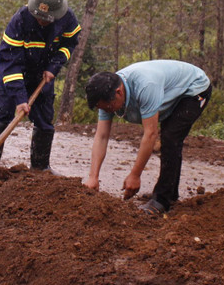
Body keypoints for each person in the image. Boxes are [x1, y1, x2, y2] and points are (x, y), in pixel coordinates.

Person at [83, 60, 212, 216]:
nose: (107, 111)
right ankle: (170, 193)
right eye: (102, 108)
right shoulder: (106, 95)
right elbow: (102, 136)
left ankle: (162, 200)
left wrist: (135, 175)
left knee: (170, 137)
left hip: (194, 89)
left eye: (109, 107)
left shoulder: (145, 85)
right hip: (168, 91)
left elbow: (150, 133)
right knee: (170, 137)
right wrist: (93, 177)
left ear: (119, 92)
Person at [0, 0, 80, 172]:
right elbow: (9, 61)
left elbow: (70, 43)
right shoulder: (19, 21)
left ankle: (40, 167)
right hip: (16, 72)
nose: (42, 21)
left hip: (43, 75)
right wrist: (20, 98)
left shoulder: (67, 19)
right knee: (3, 113)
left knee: (45, 120)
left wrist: (54, 66)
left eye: (46, 19)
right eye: (39, 16)